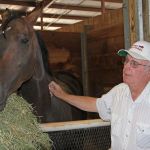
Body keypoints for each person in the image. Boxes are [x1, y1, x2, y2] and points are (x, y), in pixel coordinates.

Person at [49, 40, 150, 150]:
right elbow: (93, 104)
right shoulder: (119, 91)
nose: (126, 67)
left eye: (134, 63)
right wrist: (63, 95)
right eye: (126, 61)